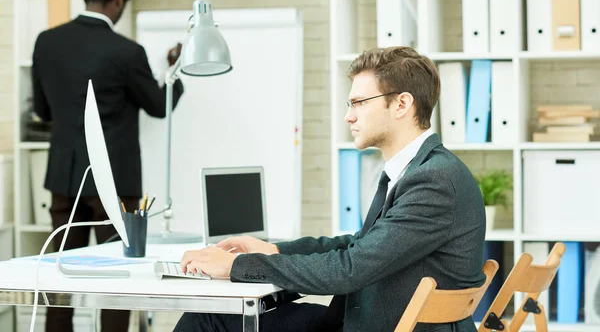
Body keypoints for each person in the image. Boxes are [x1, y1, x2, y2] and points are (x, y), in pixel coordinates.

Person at [175, 46, 485, 332]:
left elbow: (350, 269)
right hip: (370, 320)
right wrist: (276, 250)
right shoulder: (422, 170)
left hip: (378, 326)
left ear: (401, 104)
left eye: (359, 103)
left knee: (207, 319)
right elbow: (360, 246)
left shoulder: (434, 181)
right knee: (217, 316)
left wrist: (236, 265)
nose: (349, 116)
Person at [31, 0, 184, 332]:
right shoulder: (126, 52)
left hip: (64, 179)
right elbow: (157, 106)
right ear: (118, 0)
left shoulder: (46, 41)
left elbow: (41, 110)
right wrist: (175, 72)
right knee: (119, 278)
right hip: (114, 185)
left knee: (59, 281)